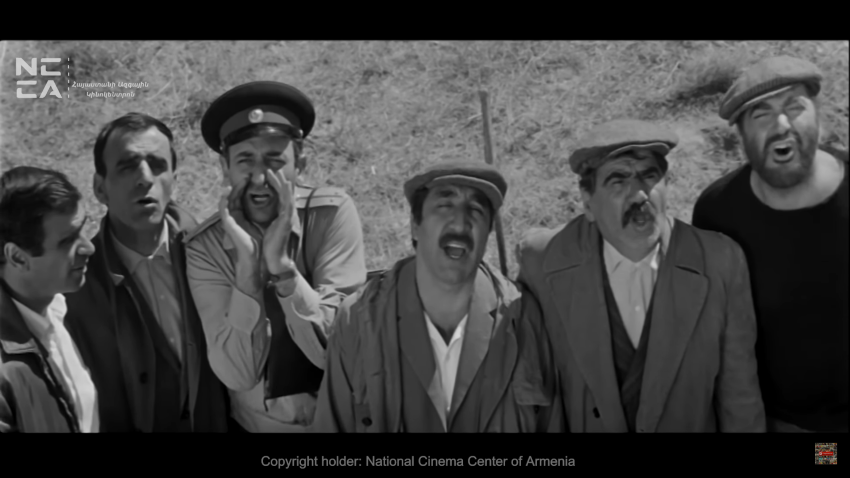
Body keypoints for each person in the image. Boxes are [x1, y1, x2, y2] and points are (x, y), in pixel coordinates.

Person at [517, 119, 766, 432]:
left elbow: (739, 396)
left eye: (649, 176)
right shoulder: (543, 261)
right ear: (588, 202)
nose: (639, 195)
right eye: (618, 180)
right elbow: (536, 394)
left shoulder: (719, 261)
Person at [312, 161, 562, 433]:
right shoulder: (360, 320)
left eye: (476, 210)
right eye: (444, 206)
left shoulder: (521, 318)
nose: (461, 222)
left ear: (488, 232)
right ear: (415, 225)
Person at [185, 81, 367, 433]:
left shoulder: (330, 215)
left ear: (300, 164)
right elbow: (238, 374)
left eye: (274, 160)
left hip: (343, 421)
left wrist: (284, 272)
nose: (259, 178)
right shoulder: (205, 248)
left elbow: (337, 352)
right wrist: (248, 272)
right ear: (224, 167)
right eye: (244, 160)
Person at [692, 56, 848, 433]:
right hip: (785, 423)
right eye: (761, 114)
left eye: (794, 106)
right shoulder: (718, 213)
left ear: (819, 116)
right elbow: (717, 333)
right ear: (741, 136)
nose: (781, 125)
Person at [63, 113, 229, 432]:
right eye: (127, 166)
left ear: (174, 180)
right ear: (100, 188)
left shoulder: (213, 255)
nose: (144, 178)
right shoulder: (77, 288)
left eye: (157, 164)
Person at [0, 166, 98, 433]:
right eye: (67, 241)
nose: (89, 247)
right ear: (18, 257)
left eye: (83, 229)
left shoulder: (61, 308)